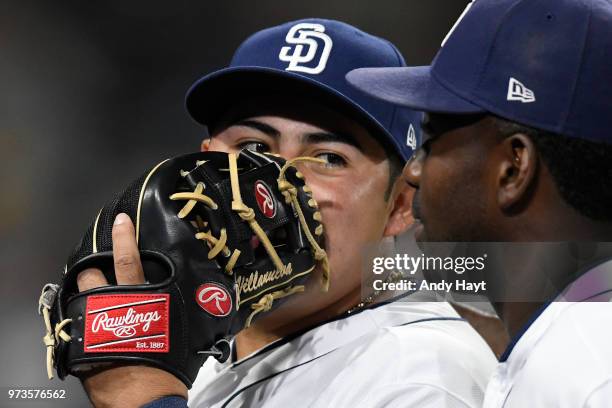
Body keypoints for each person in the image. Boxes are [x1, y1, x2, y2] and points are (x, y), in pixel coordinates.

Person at [76, 19, 496, 407]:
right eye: (254, 148)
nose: (273, 183)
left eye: (327, 158)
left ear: (400, 205)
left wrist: (148, 400)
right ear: (201, 164)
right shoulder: (199, 352)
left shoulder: (424, 373)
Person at [347, 0, 612, 406]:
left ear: (512, 168)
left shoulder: (582, 376)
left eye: (431, 142)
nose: (414, 174)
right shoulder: (573, 345)